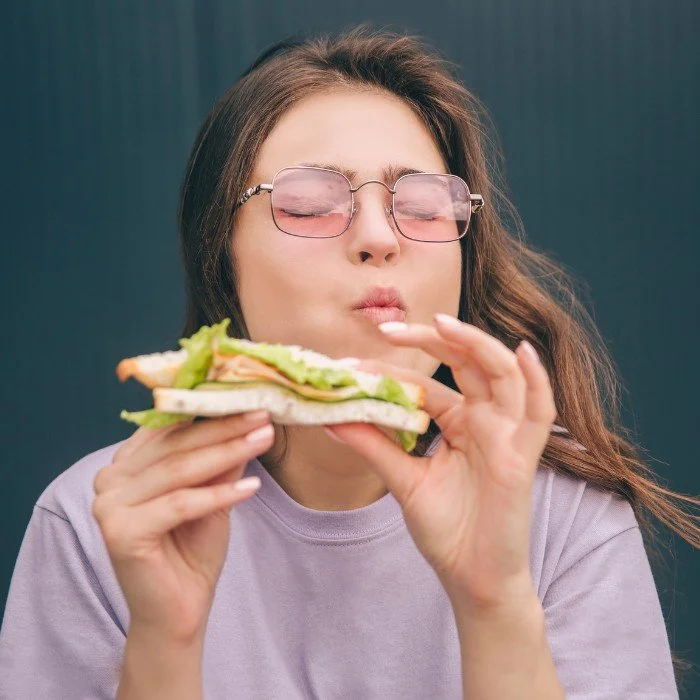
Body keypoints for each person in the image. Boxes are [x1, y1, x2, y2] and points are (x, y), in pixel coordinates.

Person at [0, 25, 696, 700]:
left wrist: (495, 603)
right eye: (306, 204)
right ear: (222, 258)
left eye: (422, 205)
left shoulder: (564, 517)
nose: (376, 236)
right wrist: (165, 641)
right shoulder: (103, 522)